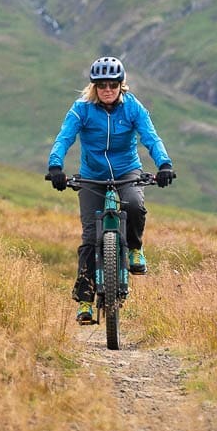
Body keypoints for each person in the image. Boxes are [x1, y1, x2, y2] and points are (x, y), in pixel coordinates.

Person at [44, 55, 174, 324]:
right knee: (91, 237)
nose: (107, 89)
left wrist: (164, 164)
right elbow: (64, 138)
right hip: (92, 176)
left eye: (113, 84)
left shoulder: (133, 107)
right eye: (102, 85)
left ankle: (135, 248)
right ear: (94, 87)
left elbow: (151, 137)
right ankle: (85, 301)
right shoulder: (81, 109)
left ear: (120, 85)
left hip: (127, 171)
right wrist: (56, 166)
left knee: (134, 204)